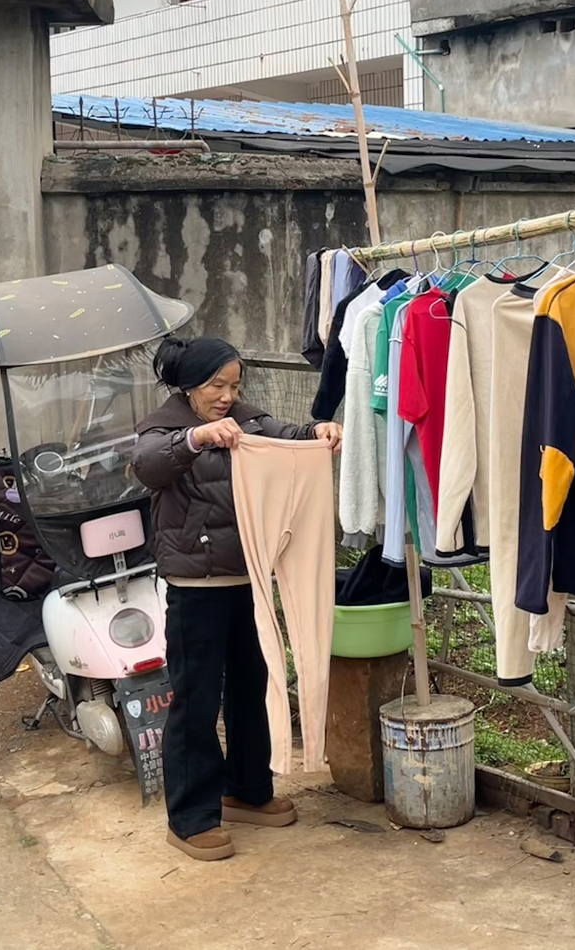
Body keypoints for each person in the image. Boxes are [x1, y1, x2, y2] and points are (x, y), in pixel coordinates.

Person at [131, 335, 342, 863]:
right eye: (216, 386)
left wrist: (317, 431)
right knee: (195, 701)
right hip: (194, 586)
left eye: (234, 385)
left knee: (252, 689)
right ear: (189, 386)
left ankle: (247, 790)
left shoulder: (247, 419)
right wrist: (196, 438)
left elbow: (284, 435)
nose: (227, 396)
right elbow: (148, 465)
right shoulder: (163, 426)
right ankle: (191, 817)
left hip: (249, 581)